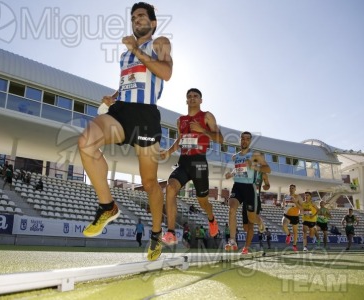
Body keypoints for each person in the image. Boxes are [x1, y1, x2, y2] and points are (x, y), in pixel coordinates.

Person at [78, 2, 172, 261]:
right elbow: (131, 80)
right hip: (121, 111)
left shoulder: (160, 42)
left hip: (145, 115)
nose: (136, 19)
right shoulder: (124, 56)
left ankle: (155, 235)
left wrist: (136, 50)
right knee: (86, 142)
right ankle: (107, 206)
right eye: (133, 16)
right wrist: (115, 96)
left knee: (150, 182)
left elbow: (165, 72)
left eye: (141, 15)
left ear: (152, 23)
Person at [160, 88, 223, 246]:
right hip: (184, 162)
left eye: (196, 96)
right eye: (189, 96)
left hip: (199, 162)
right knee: (170, 187)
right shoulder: (180, 120)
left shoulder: (207, 116)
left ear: (201, 100)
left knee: (203, 202)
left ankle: (212, 220)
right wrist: (168, 152)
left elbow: (220, 139)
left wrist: (203, 130)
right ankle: (171, 232)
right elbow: (180, 140)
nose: (192, 98)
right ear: (186, 100)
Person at [224, 131, 271, 254]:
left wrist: (255, 167)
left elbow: (268, 169)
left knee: (251, 218)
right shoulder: (235, 156)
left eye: (247, 139)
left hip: (250, 188)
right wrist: (231, 173)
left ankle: (260, 222)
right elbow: (240, 168)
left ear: (250, 141)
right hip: (237, 186)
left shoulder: (255, 155)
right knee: (232, 208)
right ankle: (232, 241)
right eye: (243, 138)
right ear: (240, 140)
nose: (244, 141)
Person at [282, 184, 303, 252]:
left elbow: (302, 208)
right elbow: (283, 206)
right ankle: (288, 235)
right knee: (284, 224)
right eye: (290, 188)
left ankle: (294, 245)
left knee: (295, 232)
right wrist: (283, 204)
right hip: (287, 215)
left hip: (295, 216)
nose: (291, 189)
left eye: (293, 188)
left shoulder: (298, 197)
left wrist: (295, 202)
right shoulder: (286, 196)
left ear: (295, 189)